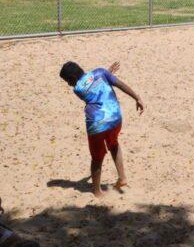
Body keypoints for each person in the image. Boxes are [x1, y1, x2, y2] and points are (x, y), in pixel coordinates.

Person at [59, 60, 144, 197]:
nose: (69, 84)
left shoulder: (77, 89)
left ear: (73, 78)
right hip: (115, 118)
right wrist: (137, 98)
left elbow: (90, 86)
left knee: (97, 158)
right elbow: (120, 85)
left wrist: (107, 74)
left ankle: (97, 191)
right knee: (114, 145)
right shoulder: (101, 72)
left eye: (68, 81)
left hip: (97, 125)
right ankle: (122, 178)